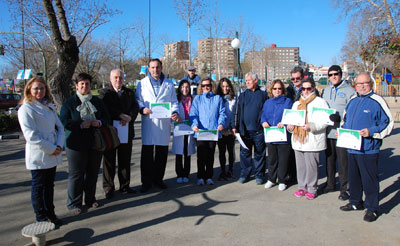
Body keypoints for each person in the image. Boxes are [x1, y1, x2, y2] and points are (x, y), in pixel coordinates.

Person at [339, 73, 393, 222]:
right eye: (359, 83)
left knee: (369, 180)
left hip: (368, 149)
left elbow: (388, 123)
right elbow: (345, 120)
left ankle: (372, 208)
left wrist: (372, 132)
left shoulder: (377, 101)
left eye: (365, 83)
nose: (362, 86)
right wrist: (341, 131)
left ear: (370, 84)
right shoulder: (352, 100)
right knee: (354, 178)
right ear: (355, 85)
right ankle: (356, 202)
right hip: (351, 148)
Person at [60, 73, 110, 214]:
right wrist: (80, 125)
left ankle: (90, 199)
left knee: (92, 172)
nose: (84, 86)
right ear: (76, 85)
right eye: (81, 84)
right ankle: (74, 203)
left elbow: (106, 118)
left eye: (87, 83)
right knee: (76, 174)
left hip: (95, 142)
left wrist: (98, 122)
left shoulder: (97, 101)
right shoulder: (69, 102)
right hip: (75, 144)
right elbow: (63, 121)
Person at [18, 77, 64, 225]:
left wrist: (58, 146)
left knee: (49, 186)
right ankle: (41, 217)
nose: (39, 91)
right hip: (39, 154)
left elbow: (60, 127)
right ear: (29, 90)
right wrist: (51, 149)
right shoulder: (26, 109)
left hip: (53, 152)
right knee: (38, 187)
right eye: (36, 88)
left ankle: (51, 213)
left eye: (42, 88)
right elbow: (31, 136)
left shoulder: (48, 106)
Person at [136, 58, 179, 192]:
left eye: (157, 67)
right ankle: (146, 182)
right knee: (147, 155)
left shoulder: (169, 84)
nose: (155, 70)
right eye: (153, 67)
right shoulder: (142, 84)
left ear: (161, 68)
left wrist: (175, 112)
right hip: (149, 121)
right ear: (148, 69)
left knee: (161, 153)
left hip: (163, 123)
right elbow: (138, 99)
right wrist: (142, 109)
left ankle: (158, 179)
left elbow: (174, 101)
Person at [99, 69, 139, 199]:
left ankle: (125, 185)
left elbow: (135, 107)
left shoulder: (129, 93)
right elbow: (104, 108)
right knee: (109, 160)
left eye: (121, 78)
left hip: (126, 130)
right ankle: (108, 187)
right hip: (111, 132)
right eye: (116, 78)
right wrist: (119, 115)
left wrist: (129, 117)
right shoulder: (105, 93)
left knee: (125, 160)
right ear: (111, 79)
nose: (118, 80)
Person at [287, 78, 329, 200]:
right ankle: (302, 187)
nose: (305, 91)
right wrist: (290, 126)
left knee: (311, 166)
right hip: (298, 140)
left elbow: (326, 120)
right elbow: (291, 120)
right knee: (300, 166)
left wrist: (312, 126)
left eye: (308, 88)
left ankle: (312, 188)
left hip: (312, 139)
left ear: (313, 88)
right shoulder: (296, 104)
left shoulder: (320, 102)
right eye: (303, 88)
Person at [321, 65, 355, 200]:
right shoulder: (326, 91)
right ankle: (330, 184)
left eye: (336, 74)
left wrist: (341, 120)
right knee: (329, 160)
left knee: (343, 163)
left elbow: (352, 112)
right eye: (330, 74)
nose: (333, 76)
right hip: (328, 132)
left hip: (341, 133)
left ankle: (344, 188)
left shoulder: (350, 91)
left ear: (341, 75)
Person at [232, 72, 268, 185]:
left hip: (258, 131)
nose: (247, 82)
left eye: (249, 80)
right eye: (246, 80)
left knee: (259, 154)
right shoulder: (242, 94)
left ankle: (259, 175)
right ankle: (245, 174)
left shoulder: (263, 94)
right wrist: (234, 126)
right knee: (245, 154)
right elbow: (236, 111)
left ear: (256, 80)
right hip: (244, 131)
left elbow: (266, 110)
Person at [190, 78, 226, 185]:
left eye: (208, 85)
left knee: (210, 154)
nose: (206, 87)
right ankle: (200, 176)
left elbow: (222, 113)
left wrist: (221, 123)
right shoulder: (197, 99)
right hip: (201, 131)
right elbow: (194, 113)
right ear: (201, 87)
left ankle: (209, 176)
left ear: (212, 86)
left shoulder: (217, 98)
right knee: (201, 155)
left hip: (213, 131)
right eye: (204, 85)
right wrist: (194, 124)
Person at [261, 79, 293, 191]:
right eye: (275, 88)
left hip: (283, 135)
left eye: (279, 88)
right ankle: (271, 179)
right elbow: (263, 115)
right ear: (271, 90)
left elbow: (290, 116)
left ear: (282, 90)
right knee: (272, 159)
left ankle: (282, 180)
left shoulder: (288, 102)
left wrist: (284, 123)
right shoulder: (267, 102)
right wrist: (263, 122)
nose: (277, 90)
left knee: (283, 159)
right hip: (271, 135)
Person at [171, 80, 196, 184]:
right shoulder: (176, 99)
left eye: (187, 87)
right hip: (179, 128)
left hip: (189, 128)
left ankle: (186, 173)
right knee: (179, 153)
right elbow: (172, 112)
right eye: (182, 87)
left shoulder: (193, 99)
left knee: (187, 152)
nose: (185, 89)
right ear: (179, 88)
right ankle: (179, 174)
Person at [216, 78, 236, 180]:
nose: (225, 88)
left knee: (231, 152)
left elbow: (235, 115)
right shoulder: (217, 98)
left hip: (231, 131)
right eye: (223, 86)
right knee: (222, 152)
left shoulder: (234, 99)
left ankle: (230, 170)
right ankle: (222, 171)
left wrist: (232, 129)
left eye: (227, 86)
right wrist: (222, 130)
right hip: (221, 131)